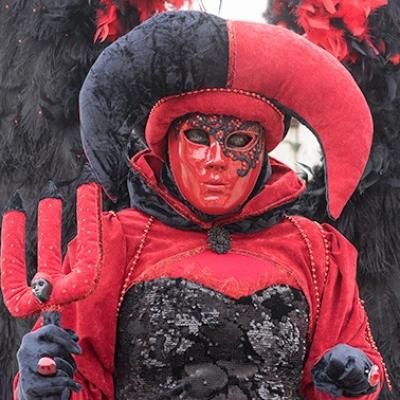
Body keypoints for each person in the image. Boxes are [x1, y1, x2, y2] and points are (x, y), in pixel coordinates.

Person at [9, 10, 389, 400]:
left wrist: (355, 380)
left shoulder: (314, 250)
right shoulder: (114, 241)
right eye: (197, 136)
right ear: (168, 144)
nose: (216, 158)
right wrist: (43, 385)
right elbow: (78, 377)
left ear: (263, 153)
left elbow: (357, 368)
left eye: (238, 141)